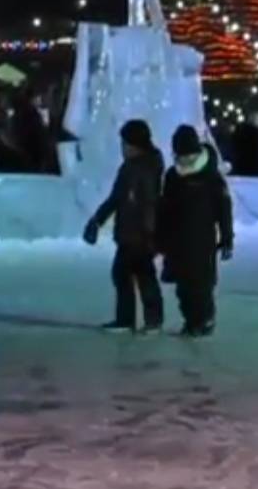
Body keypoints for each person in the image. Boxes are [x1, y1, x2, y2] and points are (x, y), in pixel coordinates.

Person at [85, 119, 165, 333]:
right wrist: (97, 220)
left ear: (135, 145)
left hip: (141, 234)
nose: (123, 148)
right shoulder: (133, 167)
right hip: (130, 233)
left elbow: (149, 203)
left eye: (125, 144)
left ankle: (150, 319)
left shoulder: (145, 169)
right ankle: (130, 319)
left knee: (142, 275)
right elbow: (117, 198)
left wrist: (151, 233)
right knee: (123, 273)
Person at [158, 124, 233, 337]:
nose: (185, 160)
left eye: (188, 155)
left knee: (201, 284)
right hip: (177, 240)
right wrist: (160, 237)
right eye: (181, 155)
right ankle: (191, 320)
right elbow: (165, 207)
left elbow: (223, 208)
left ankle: (205, 319)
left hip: (202, 239)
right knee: (183, 286)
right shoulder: (173, 176)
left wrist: (227, 237)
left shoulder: (210, 176)